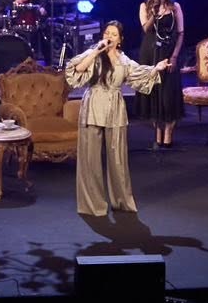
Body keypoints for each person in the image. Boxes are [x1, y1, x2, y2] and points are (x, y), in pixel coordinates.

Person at [63, 21, 170, 216]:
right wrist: (97, 51)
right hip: (93, 106)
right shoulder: (94, 54)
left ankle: (121, 201)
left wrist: (157, 68)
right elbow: (77, 69)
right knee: (90, 159)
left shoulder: (124, 60)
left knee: (117, 159)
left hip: (115, 108)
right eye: (107, 33)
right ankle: (93, 205)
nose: (109, 36)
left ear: (120, 40)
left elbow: (139, 74)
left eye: (113, 34)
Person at [135, 0, 185, 147]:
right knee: (155, 93)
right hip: (150, 53)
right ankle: (157, 131)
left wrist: (174, 56)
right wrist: (154, 12)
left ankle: (169, 131)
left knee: (168, 94)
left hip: (169, 52)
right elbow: (146, 29)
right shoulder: (145, 7)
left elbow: (180, 33)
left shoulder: (175, 7)